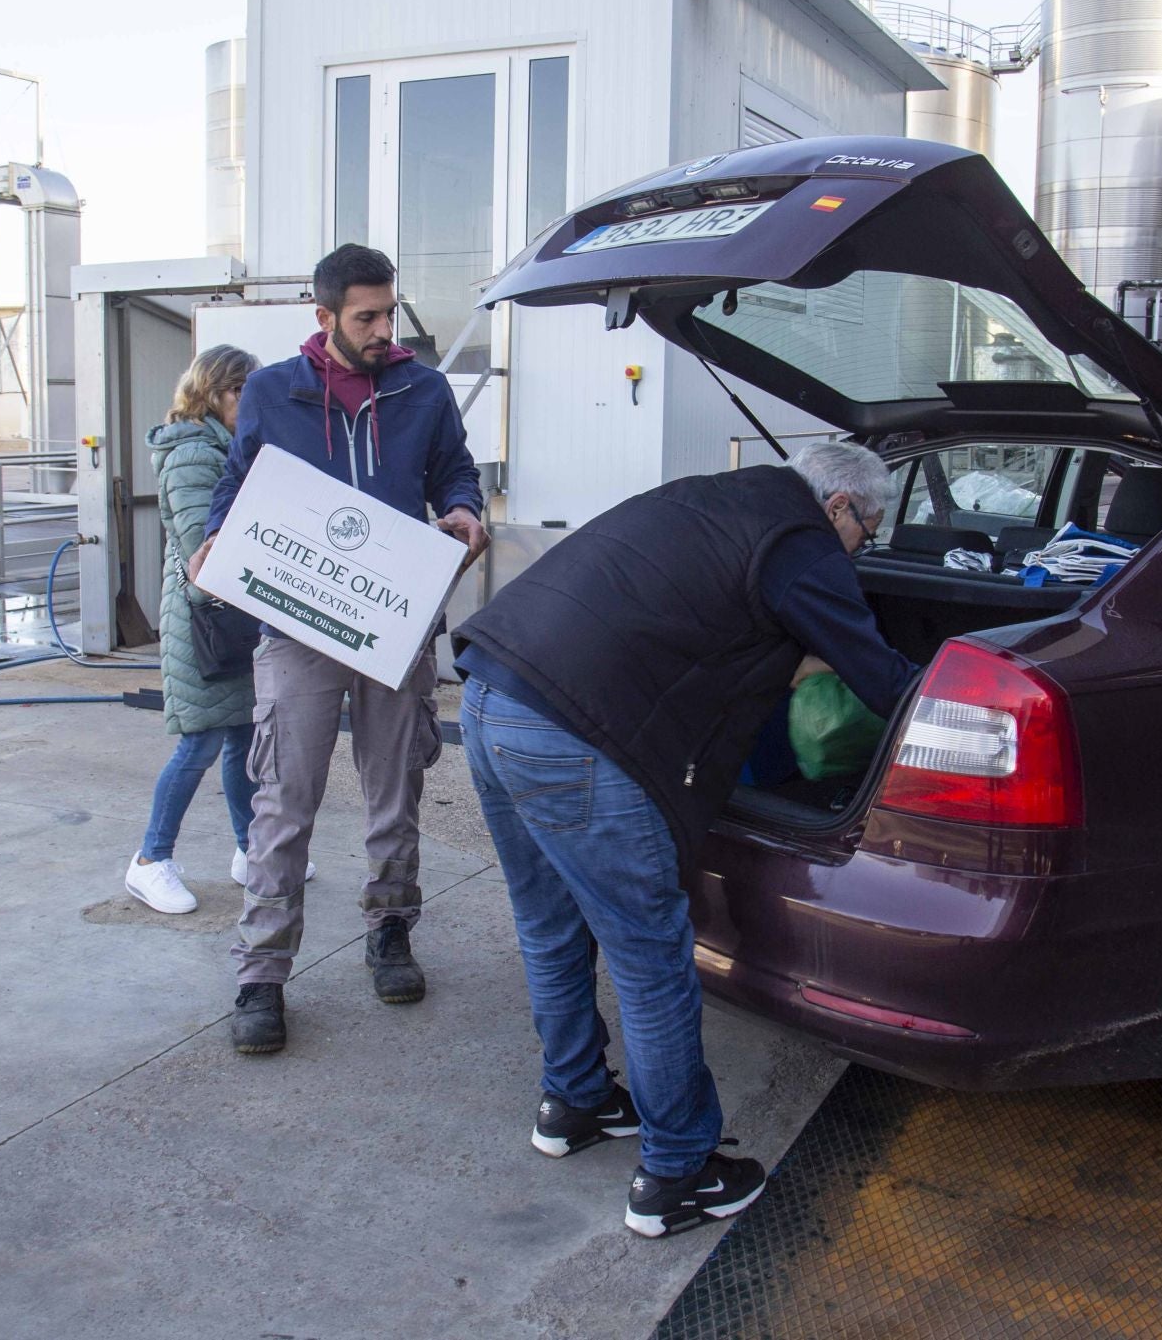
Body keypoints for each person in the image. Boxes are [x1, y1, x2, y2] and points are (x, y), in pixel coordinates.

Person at [451, 441, 918, 1238]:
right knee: (652, 954)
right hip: (570, 733)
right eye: (866, 534)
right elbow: (882, 679)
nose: (860, 551)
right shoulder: (801, 540)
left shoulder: (721, 496)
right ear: (840, 507)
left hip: (491, 693)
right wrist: (959, 695)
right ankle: (678, 1172)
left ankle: (575, 1100)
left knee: (549, 919)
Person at [189, 243, 488, 1049]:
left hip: (394, 623)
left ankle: (390, 927)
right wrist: (216, 537)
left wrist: (463, 511)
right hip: (297, 626)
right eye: (366, 316)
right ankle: (261, 970)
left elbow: (455, 472)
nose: (384, 329)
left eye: (391, 311)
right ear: (322, 317)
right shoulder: (271, 391)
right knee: (285, 800)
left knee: (396, 788)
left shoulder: (422, 389)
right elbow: (239, 483)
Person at [126, 346, 320, 912]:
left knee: (239, 738)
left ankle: (247, 850)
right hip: (202, 619)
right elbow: (202, 553)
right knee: (201, 742)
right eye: (239, 392)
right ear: (211, 392)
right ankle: (149, 861)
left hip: (229, 616)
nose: (248, 402)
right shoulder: (193, 454)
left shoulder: (227, 447)